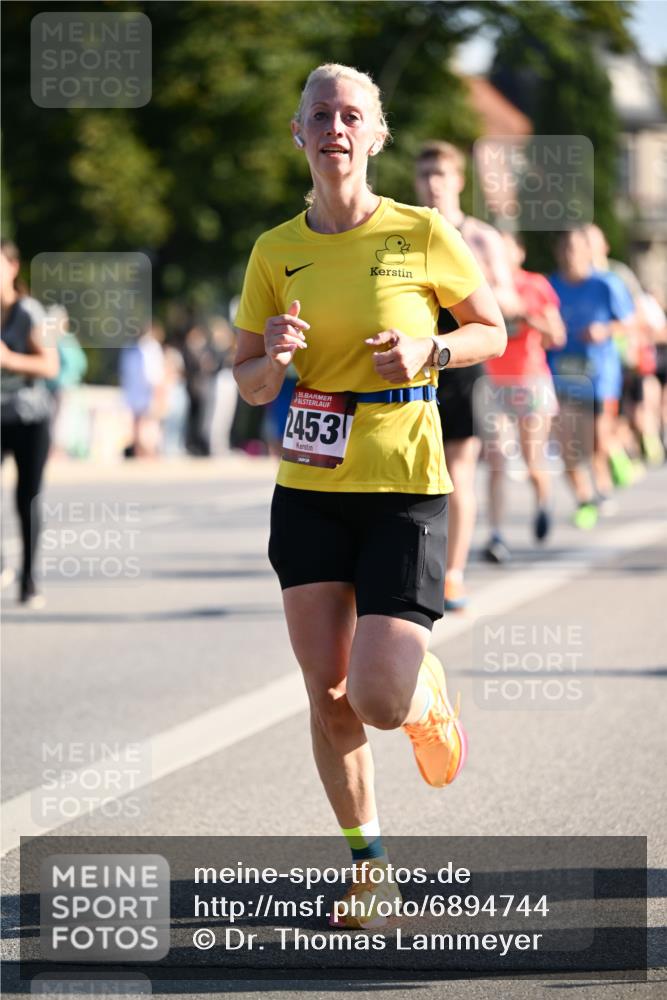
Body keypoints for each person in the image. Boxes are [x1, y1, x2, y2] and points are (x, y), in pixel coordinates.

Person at [233, 64, 506, 928]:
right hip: (309, 486)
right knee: (325, 693)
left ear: (376, 135)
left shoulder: (421, 231)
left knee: (376, 698)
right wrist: (270, 357)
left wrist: (429, 353)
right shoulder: (275, 250)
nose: (336, 128)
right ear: (298, 133)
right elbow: (245, 383)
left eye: (352, 115)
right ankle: (369, 865)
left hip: (402, 481)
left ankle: (422, 696)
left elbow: (489, 330)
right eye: (321, 115)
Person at [414, 141, 521, 607]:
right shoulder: (409, 232)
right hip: (413, 364)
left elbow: (509, 301)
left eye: (441, 174)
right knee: (414, 475)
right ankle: (417, 569)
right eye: (425, 176)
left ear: (458, 181)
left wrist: (473, 286)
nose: (433, 183)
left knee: (459, 471)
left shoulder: (479, 237)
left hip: (462, 366)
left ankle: (453, 574)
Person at [483, 232, 566, 561]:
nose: (499, 254)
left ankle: (544, 502)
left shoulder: (535, 285)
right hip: (493, 383)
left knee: (532, 461)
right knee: (496, 460)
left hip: (530, 382)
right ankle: (496, 535)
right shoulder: (482, 285)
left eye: (506, 248)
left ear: (519, 252)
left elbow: (556, 335)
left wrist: (525, 315)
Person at [548, 228, 634, 528]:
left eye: (577, 248)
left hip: (599, 374)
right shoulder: (550, 285)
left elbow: (629, 323)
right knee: (568, 444)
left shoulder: (606, 283)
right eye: (566, 248)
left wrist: (605, 331)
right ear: (559, 252)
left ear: (589, 251)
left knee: (597, 441)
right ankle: (585, 499)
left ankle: (611, 464)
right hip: (560, 375)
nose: (571, 254)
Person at [1, 239, 59, 606]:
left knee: (27, 498)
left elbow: (51, 366)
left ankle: (30, 578)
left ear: (13, 267)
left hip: (31, 418)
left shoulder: (33, 311)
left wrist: (9, 360)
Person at [119, 321, 166, 458]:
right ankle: (146, 451)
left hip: (135, 391)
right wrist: (158, 390)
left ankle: (140, 450)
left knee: (139, 422)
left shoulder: (130, 348)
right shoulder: (150, 348)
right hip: (147, 391)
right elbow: (152, 374)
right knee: (148, 423)